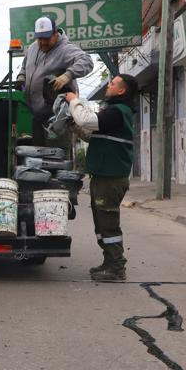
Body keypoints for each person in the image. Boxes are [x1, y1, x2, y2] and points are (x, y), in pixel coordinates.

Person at [65, 74, 139, 282]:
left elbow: (87, 119)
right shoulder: (113, 113)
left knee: (108, 222)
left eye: (113, 83)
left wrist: (73, 101)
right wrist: (73, 126)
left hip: (110, 177)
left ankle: (116, 267)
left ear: (122, 90)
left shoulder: (117, 112)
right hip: (104, 175)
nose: (109, 85)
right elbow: (91, 135)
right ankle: (109, 262)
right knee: (101, 223)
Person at [15, 16, 93, 148]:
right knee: (38, 159)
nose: (42, 43)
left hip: (58, 119)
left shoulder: (66, 49)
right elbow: (24, 66)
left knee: (57, 159)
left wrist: (68, 75)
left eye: (46, 38)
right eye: (40, 38)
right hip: (37, 116)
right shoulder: (33, 48)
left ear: (56, 33)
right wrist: (21, 77)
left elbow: (87, 61)